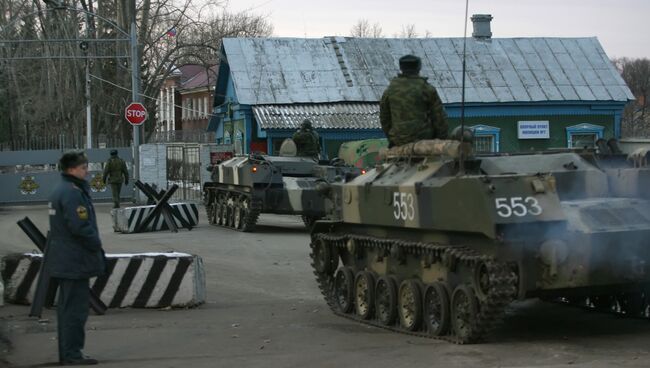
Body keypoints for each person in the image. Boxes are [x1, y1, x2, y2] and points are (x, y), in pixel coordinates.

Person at [46, 151, 105, 365]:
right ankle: (72, 354)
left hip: (65, 259)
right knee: (75, 310)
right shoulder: (72, 193)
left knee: (67, 308)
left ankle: (68, 352)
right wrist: (96, 245)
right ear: (72, 169)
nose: (86, 171)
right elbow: (79, 227)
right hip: (74, 260)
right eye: (83, 167)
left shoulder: (61, 189)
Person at [380, 54, 449, 147]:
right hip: (424, 140)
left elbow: (385, 119)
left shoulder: (389, 91)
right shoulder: (426, 89)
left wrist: (392, 139)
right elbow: (439, 118)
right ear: (418, 68)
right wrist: (441, 140)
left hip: (398, 141)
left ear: (401, 68)